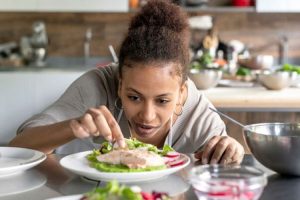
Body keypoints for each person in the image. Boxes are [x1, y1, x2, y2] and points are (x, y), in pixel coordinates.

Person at [9, 0, 244, 165]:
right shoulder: (96, 85)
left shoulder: (198, 111)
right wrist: (72, 126)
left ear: (182, 93)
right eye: (134, 97)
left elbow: (223, 159)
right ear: (120, 84)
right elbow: (17, 148)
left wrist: (232, 149)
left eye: (162, 100)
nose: (147, 116)